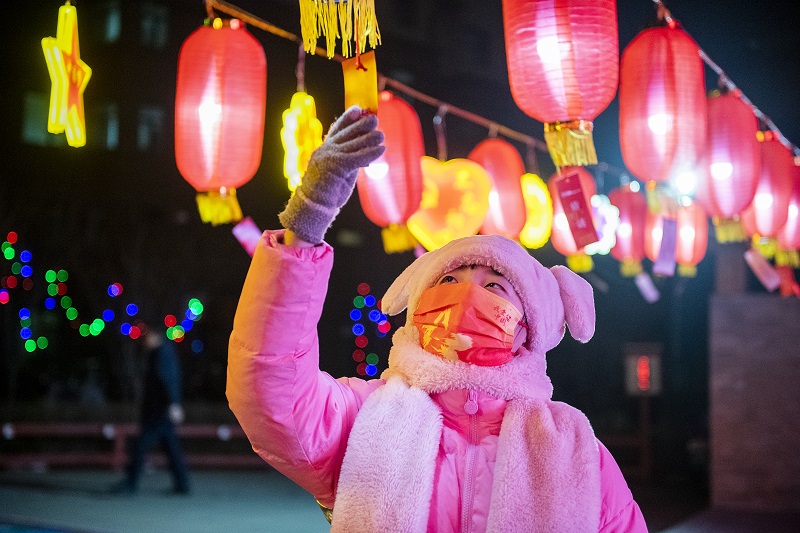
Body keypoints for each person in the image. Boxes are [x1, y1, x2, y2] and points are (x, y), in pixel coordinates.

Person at [227, 106, 647, 531]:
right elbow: (270, 394)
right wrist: (306, 225)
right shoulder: (364, 419)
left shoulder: (575, 449)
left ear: (529, 327)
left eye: (494, 286)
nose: (465, 296)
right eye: (448, 280)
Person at [114, 328, 191, 495]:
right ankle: (182, 484)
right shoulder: (161, 352)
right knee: (171, 448)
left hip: (158, 411)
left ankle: (131, 482)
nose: (145, 340)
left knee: (140, 446)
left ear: (156, 336)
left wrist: (174, 403)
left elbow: (168, 379)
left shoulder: (162, 353)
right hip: (160, 410)